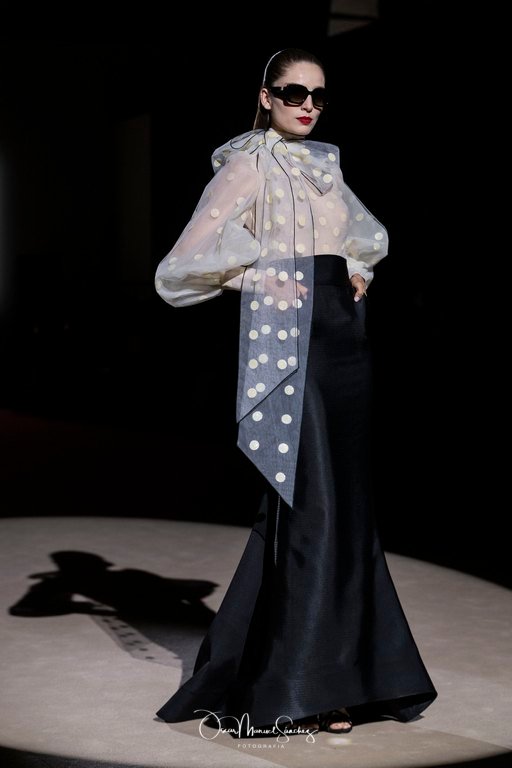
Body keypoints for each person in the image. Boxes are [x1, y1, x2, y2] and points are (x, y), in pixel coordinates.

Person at [153, 47, 437, 738]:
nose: (307, 105)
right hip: (293, 345)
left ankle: (351, 673)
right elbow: (180, 265)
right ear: (265, 96)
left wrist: (359, 270)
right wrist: (258, 277)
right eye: (292, 92)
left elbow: (360, 236)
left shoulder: (325, 165)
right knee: (315, 505)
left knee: (348, 509)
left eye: (317, 95)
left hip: (346, 338)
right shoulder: (246, 165)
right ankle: (311, 685)